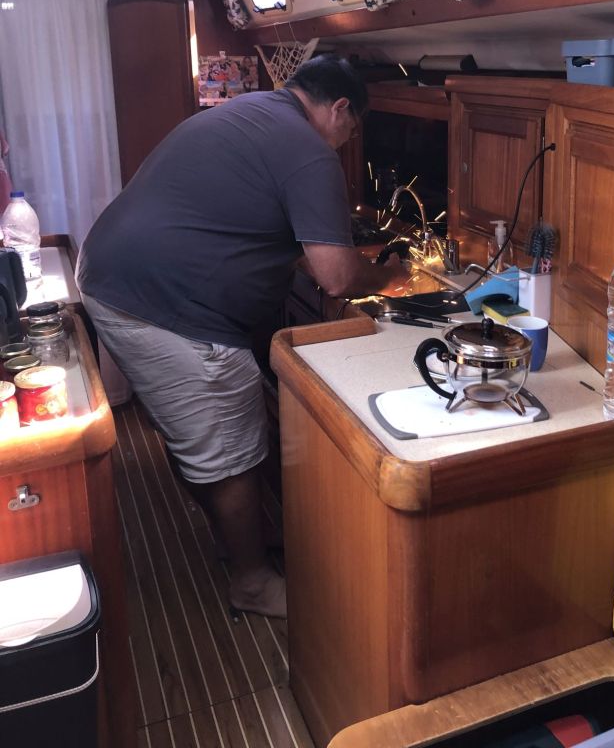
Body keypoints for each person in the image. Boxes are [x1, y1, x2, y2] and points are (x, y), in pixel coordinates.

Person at [76, 54, 407, 619]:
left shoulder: (250, 111)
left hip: (113, 281)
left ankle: (236, 541)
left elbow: (257, 220)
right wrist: (389, 276)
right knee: (229, 449)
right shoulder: (309, 151)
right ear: (339, 108)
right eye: (352, 129)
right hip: (166, 308)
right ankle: (251, 581)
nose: (347, 141)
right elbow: (336, 276)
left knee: (194, 436)